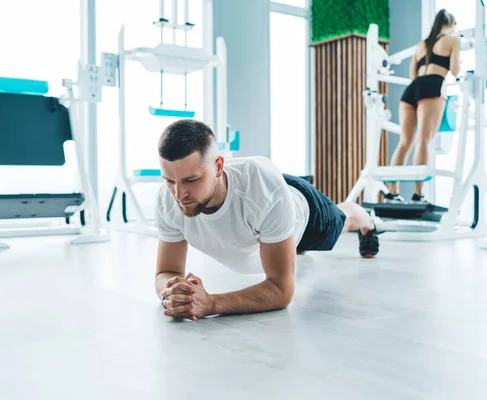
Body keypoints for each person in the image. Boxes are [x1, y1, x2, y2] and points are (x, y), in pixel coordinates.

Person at [154, 119, 379, 320]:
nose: (179, 194)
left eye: (191, 180)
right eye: (170, 181)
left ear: (219, 166)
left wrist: (211, 303)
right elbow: (166, 272)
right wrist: (173, 293)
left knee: (344, 222)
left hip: (302, 209)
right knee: (277, 233)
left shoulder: (265, 194)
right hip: (268, 205)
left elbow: (281, 290)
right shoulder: (168, 199)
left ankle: (362, 216)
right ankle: (282, 243)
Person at [385, 9, 461, 204]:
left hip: (412, 89)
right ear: (451, 24)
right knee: (424, 140)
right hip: (433, 85)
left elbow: (413, 75)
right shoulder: (453, 39)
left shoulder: (421, 45)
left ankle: (392, 192)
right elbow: (454, 70)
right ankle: (419, 194)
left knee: (405, 141)